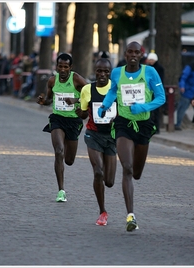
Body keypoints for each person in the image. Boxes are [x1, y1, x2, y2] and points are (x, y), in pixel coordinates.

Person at [97, 41, 165, 231]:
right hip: (123, 124)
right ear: (125, 54)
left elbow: (161, 97)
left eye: (137, 52)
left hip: (143, 125)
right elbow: (112, 92)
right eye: (130, 52)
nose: (133, 55)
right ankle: (131, 216)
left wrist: (143, 107)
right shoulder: (117, 72)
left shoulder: (150, 72)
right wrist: (104, 106)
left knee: (136, 172)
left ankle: (131, 204)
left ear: (141, 54)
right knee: (126, 168)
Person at [36, 53, 88, 202]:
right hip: (57, 119)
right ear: (56, 66)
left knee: (69, 160)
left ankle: (66, 141)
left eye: (66, 67)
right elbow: (49, 100)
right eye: (60, 66)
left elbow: (91, 93)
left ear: (70, 68)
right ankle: (61, 191)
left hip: (73, 121)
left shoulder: (77, 79)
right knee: (59, 151)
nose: (63, 70)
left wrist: (76, 99)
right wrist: (43, 101)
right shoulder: (52, 81)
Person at [72, 58, 117, 226]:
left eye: (106, 71)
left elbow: (123, 111)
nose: (102, 74)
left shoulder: (116, 89)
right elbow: (84, 114)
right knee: (98, 172)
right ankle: (102, 211)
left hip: (111, 137)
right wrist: (79, 112)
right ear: (95, 71)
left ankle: (104, 197)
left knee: (110, 182)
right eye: (99, 71)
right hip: (93, 134)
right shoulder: (87, 90)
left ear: (110, 73)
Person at [175, 57, 194, 130]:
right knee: (182, 108)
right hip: (188, 91)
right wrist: (182, 86)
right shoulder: (191, 67)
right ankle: (178, 124)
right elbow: (183, 77)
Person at [146, 52, 165, 134]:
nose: (150, 61)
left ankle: (157, 128)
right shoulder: (147, 68)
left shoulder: (159, 68)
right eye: (149, 60)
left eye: (152, 60)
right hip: (148, 91)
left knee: (156, 111)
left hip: (156, 92)